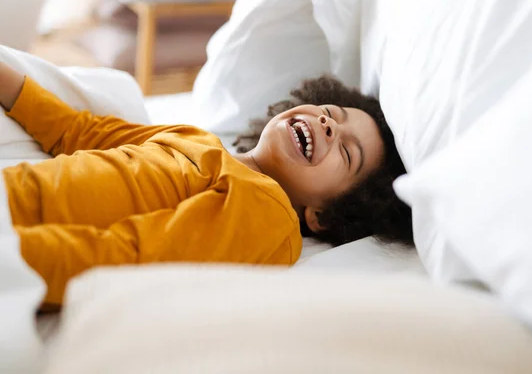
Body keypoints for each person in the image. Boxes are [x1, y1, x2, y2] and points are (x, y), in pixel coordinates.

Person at [0, 61, 412, 307]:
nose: (326, 124)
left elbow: (128, 258)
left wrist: (13, 259)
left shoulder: (266, 213)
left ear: (322, 215)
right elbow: (80, 131)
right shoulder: (196, 138)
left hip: (16, 236)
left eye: (346, 153)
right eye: (330, 113)